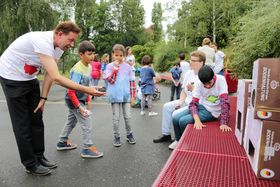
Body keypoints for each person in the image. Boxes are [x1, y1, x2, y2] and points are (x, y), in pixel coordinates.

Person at [0, 21, 105, 176]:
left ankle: (39, 156)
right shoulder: (42, 41)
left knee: (37, 117)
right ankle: (30, 164)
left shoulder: (59, 47)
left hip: (29, 78)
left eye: (74, 41)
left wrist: (43, 98)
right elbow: (56, 77)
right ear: (60, 34)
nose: (72, 44)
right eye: (70, 40)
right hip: (11, 78)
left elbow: (49, 73)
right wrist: (87, 89)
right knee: (22, 123)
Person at [56, 41, 103, 159]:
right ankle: (87, 148)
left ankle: (62, 141)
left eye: (93, 53)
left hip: (80, 99)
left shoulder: (89, 66)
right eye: (89, 54)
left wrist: (88, 101)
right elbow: (71, 91)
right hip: (73, 100)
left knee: (71, 121)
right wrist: (79, 107)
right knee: (87, 121)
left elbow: (87, 87)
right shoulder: (77, 69)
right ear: (81, 54)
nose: (92, 56)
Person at [169, 65, 232, 150]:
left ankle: (187, 144)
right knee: (175, 118)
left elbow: (224, 103)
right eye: (204, 84)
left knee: (183, 121)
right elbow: (193, 103)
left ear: (214, 76)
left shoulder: (221, 80)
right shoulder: (199, 83)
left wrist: (223, 123)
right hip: (201, 106)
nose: (207, 86)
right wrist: (197, 120)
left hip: (211, 111)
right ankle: (178, 140)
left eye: (209, 83)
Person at [153, 51, 205, 143]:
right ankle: (166, 135)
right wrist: (180, 101)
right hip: (185, 102)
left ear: (201, 62)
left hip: (196, 105)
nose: (190, 62)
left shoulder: (205, 75)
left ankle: (180, 140)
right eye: (190, 60)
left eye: (193, 60)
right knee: (167, 107)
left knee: (175, 115)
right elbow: (184, 91)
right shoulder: (189, 73)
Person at [104, 44, 136, 147]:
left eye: (121, 55)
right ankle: (117, 136)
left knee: (128, 116)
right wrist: (115, 69)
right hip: (114, 96)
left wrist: (133, 97)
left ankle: (129, 134)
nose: (119, 57)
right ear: (113, 55)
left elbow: (132, 82)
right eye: (116, 55)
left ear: (124, 55)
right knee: (116, 118)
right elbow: (110, 80)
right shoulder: (109, 66)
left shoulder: (128, 67)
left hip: (126, 96)